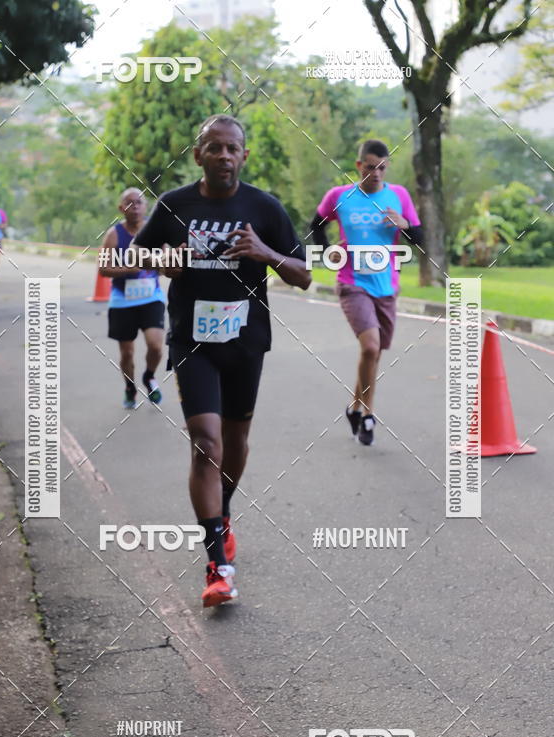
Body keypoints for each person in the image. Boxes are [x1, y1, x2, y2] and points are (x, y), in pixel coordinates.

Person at [131, 114, 311, 607]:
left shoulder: (264, 207)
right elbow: (135, 258)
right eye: (215, 148)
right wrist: (161, 260)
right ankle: (217, 563)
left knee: (235, 440)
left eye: (233, 148)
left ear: (244, 156)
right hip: (193, 340)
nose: (224, 156)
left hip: (246, 341)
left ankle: (222, 511)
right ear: (198, 154)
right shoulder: (174, 205)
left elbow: (304, 276)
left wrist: (265, 252)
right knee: (205, 443)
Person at [311, 139, 423, 446]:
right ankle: (368, 415)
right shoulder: (340, 197)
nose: (376, 173)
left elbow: (420, 238)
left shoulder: (398, 196)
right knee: (371, 348)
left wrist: (405, 225)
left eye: (382, 168)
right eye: (371, 167)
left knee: (373, 354)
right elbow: (316, 225)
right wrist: (328, 252)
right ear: (359, 166)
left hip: (387, 286)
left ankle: (353, 406)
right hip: (352, 283)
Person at [97, 187, 166, 408]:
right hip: (122, 301)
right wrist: (129, 269)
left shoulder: (155, 230)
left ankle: (149, 376)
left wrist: (164, 263)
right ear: (121, 208)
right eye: (129, 203)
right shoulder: (114, 234)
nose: (134, 207)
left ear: (146, 207)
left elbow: (166, 261)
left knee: (156, 347)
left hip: (151, 297)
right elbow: (103, 269)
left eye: (138, 202)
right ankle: (129, 387)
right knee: (127, 353)